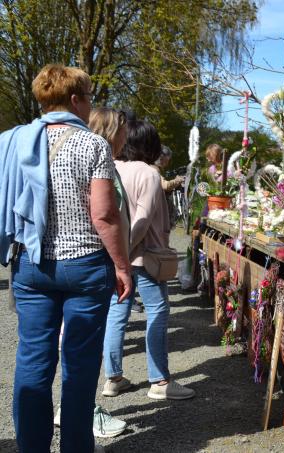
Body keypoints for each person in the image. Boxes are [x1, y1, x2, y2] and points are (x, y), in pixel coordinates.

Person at [0, 64, 132, 453]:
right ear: (75, 99)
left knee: (32, 364)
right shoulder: (92, 145)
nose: (90, 105)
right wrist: (123, 267)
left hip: (31, 264)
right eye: (88, 97)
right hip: (85, 266)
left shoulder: (12, 141)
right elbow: (104, 215)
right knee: (79, 367)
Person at [102, 119, 195, 401]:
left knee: (116, 314)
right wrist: (126, 256)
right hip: (144, 257)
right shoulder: (149, 174)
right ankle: (160, 381)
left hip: (117, 253)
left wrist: (117, 257)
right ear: (149, 144)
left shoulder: (111, 167)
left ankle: (113, 377)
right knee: (157, 312)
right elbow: (141, 222)